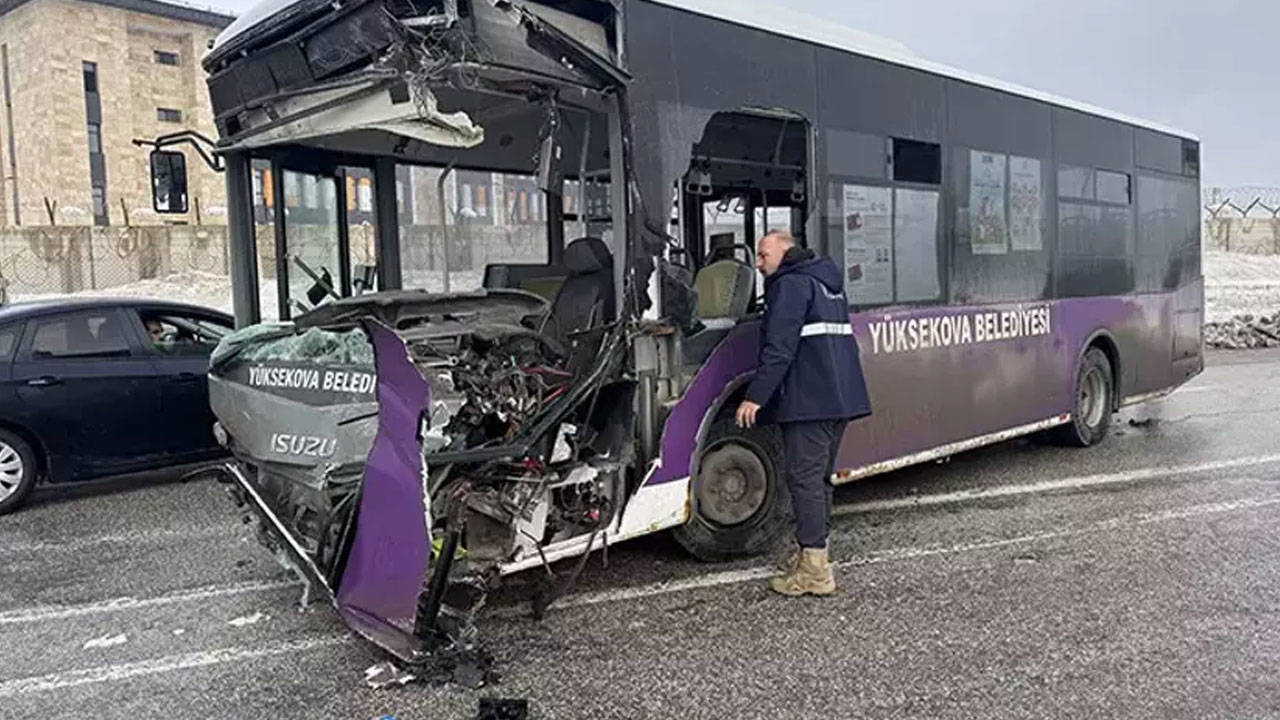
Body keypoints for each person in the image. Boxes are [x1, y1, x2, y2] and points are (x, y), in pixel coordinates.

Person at [735, 230, 871, 596]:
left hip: (810, 400)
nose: (759, 265)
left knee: (805, 480)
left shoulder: (791, 285)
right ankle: (814, 556)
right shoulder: (826, 281)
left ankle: (815, 571)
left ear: (785, 250)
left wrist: (755, 397)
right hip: (839, 397)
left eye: (763, 255)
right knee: (818, 479)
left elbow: (780, 348)